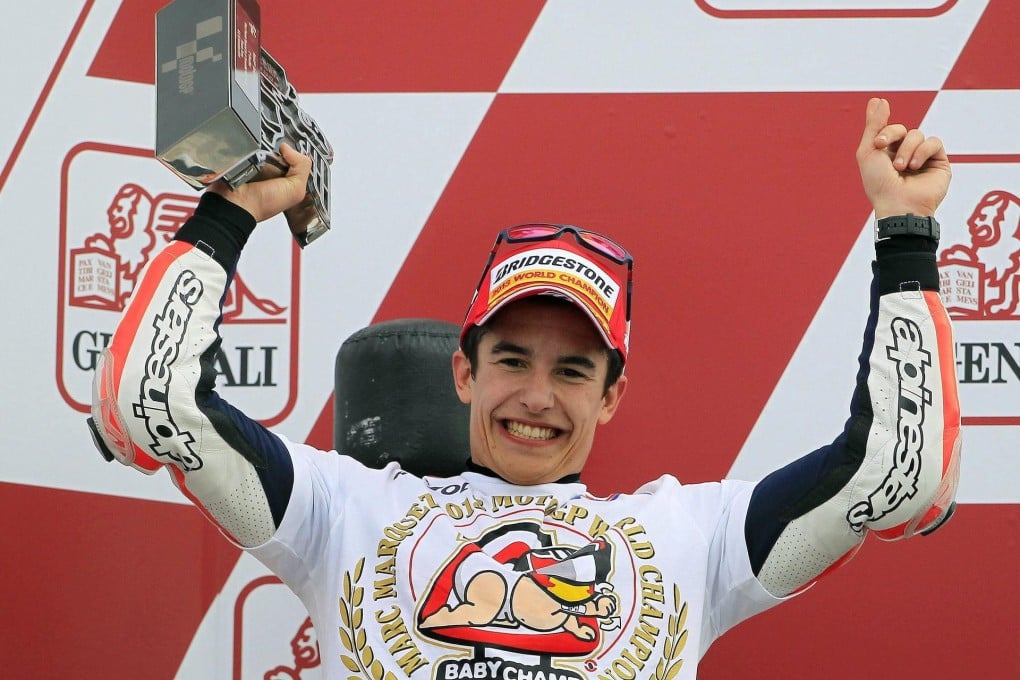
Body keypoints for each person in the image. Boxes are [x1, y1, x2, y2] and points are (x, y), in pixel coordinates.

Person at [88, 98, 960, 678]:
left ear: (612, 396)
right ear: (464, 371)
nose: (537, 395)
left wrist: (905, 230)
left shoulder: (691, 537)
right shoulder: (341, 512)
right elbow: (149, 399)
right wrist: (231, 212)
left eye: (574, 369)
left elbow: (901, 471)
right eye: (512, 360)